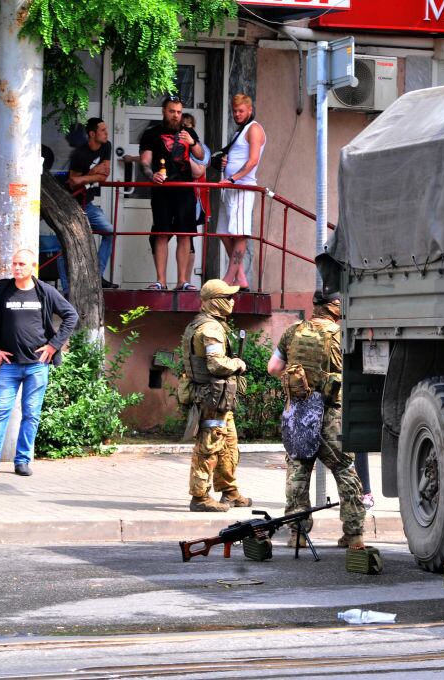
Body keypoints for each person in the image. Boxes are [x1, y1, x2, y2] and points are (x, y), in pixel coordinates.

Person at [267, 291, 366, 549]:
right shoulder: (342, 335)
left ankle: (298, 534)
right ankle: (354, 535)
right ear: (334, 306)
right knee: (344, 469)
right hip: (333, 412)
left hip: (300, 412)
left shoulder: (293, 331)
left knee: (298, 470)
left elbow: (274, 369)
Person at [0, 249, 78, 476]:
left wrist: (53, 345)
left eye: (22, 264)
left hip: (36, 365)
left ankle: (22, 461)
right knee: (0, 412)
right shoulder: (2, 291)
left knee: (31, 413)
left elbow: (71, 315)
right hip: (9, 365)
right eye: (14, 264)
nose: (17, 268)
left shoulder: (45, 292)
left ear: (33, 267)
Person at [181, 279, 252, 511]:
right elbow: (215, 365)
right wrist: (237, 363)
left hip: (219, 400)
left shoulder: (203, 323)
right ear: (213, 302)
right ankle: (200, 497)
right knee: (209, 446)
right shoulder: (210, 329)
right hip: (211, 398)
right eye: (227, 298)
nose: (231, 302)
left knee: (229, 444)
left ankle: (230, 492)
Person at [139, 95, 205, 292]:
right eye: (172, 111)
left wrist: (192, 142)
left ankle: (182, 281)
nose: (176, 116)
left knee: (185, 234)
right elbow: (144, 162)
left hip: (185, 189)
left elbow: (201, 155)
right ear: (163, 111)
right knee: (161, 233)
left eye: (179, 112)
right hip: (162, 189)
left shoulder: (189, 131)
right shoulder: (151, 133)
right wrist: (152, 176)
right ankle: (161, 281)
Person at [218, 93, 266, 290]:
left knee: (239, 233)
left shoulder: (254, 128)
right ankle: (241, 277)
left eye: (241, 111)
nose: (237, 114)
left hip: (242, 187)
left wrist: (232, 178)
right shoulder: (240, 131)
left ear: (250, 110)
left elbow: (253, 160)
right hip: (230, 188)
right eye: (234, 111)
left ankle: (230, 278)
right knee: (222, 232)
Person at [65, 117, 119, 290]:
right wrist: (93, 172)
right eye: (103, 130)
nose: (106, 133)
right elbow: (73, 182)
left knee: (109, 232)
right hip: (72, 204)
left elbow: (104, 175)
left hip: (87, 202)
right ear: (92, 134)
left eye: (106, 130)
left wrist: (86, 177)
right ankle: (67, 288)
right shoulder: (79, 154)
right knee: (64, 244)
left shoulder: (106, 146)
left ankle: (96, 275)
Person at [181, 113, 212, 287]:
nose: (185, 129)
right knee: (159, 237)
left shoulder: (201, 148)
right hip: (175, 197)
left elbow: (199, 171)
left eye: (189, 126)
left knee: (188, 237)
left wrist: (185, 155)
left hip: (194, 197)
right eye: (182, 126)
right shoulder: (174, 144)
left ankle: (185, 281)